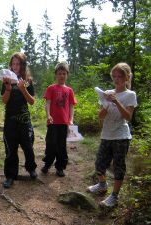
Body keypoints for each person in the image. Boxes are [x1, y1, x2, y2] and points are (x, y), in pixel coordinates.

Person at [87, 62, 137, 207]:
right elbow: (101, 116)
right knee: (99, 163)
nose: (116, 79)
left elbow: (128, 117)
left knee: (118, 166)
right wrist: (107, 103)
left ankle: (114, 196)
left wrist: (116, 101)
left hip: (121, 136)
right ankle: (102, 185)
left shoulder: (130, 95)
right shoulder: (108, 92)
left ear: (127, 77)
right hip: (106, 134)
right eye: (114, 76)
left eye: (120, 76)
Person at [1, 52, 37, 188]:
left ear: (22, 65)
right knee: (10, 148)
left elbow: (32, 101)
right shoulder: (6, 79)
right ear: (11, 65)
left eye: (18, 64)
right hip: (10, 119)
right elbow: (4, 101)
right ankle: (10, 175)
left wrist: (23, 89)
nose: (15, 66)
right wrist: (8, 89)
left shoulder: (27, 80)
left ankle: (31, 168)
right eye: (13, 64)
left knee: (28, 145)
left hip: (24, 119)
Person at [41, 62, 77, 177]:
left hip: (64, 123)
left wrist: (71, 119)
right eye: (59, 73)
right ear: (56, 75)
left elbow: (71, 106)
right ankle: (47, 164)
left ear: (67, 75)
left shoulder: (69, 90)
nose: (62, 76)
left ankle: (60, 167)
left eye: (64, 73)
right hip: (52, 122)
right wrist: (48, 115)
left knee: (61, 145)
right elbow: (48, 103)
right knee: (50, 144)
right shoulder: (51, 88)